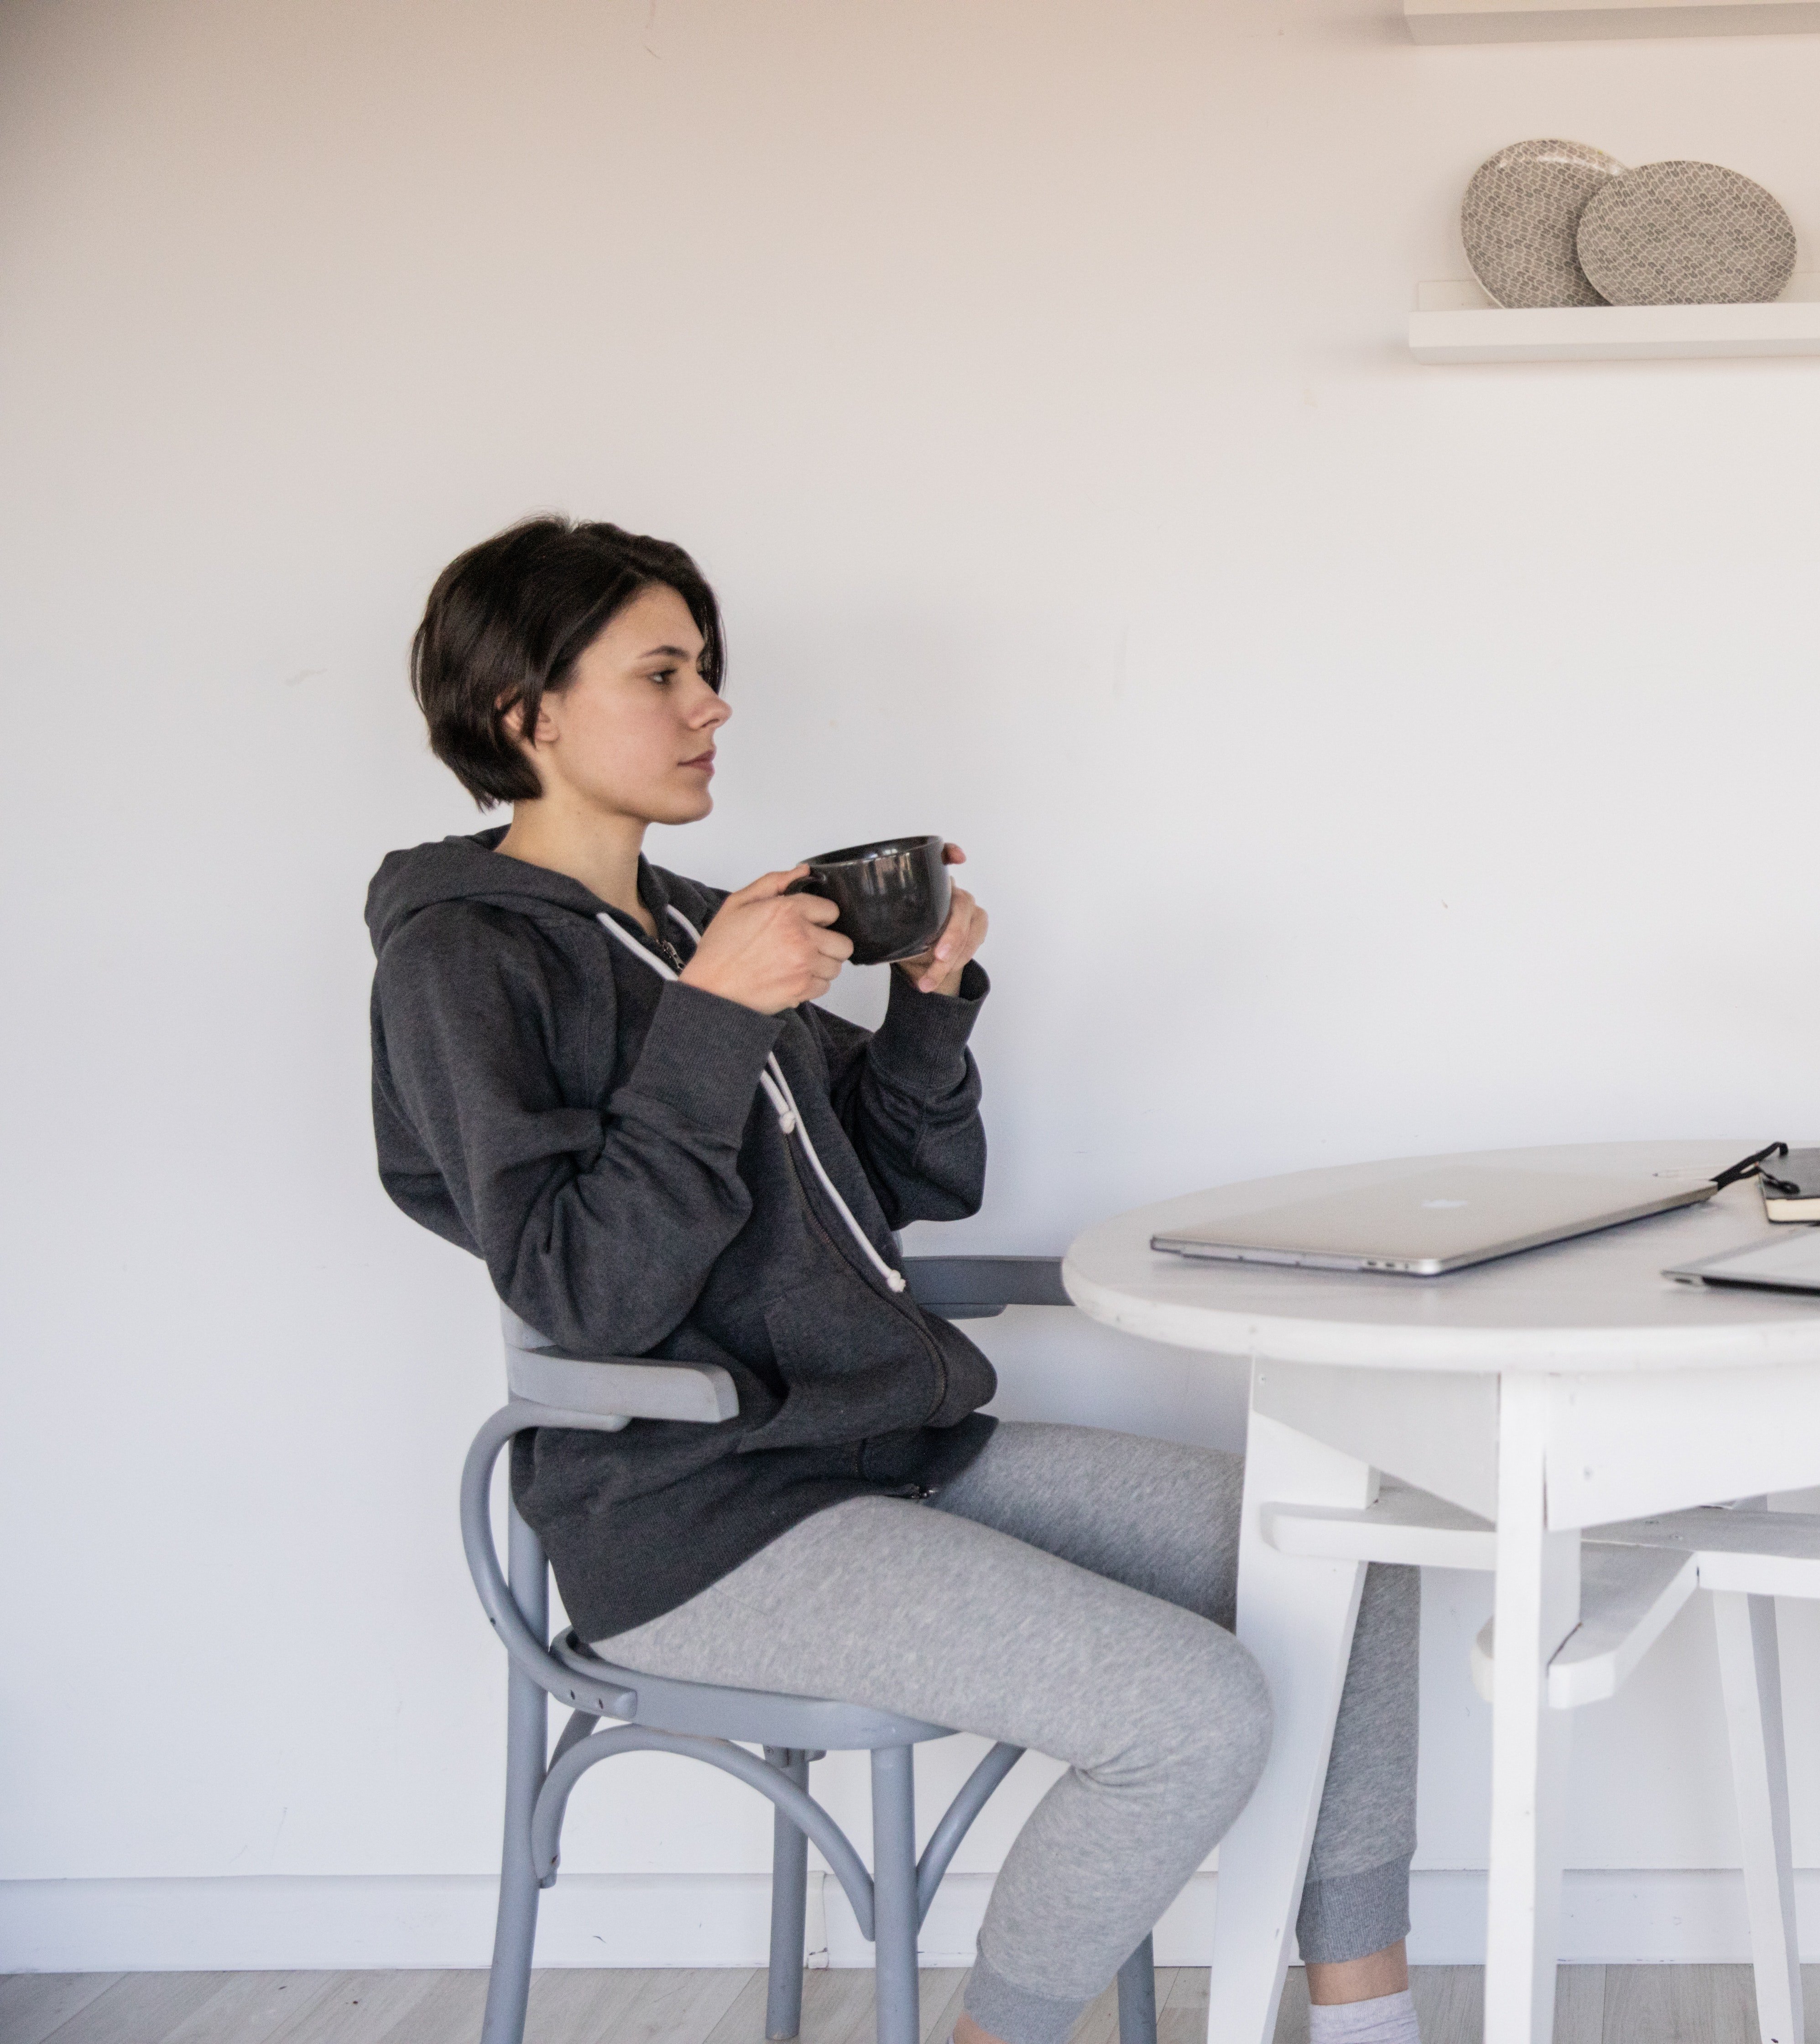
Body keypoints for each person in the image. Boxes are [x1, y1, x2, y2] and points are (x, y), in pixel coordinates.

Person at [368, 518, 1422, 2044]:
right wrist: (718, 1018)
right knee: (1192, 1710)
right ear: (528, 714)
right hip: (701, 1519)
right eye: (661, 673)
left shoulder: (689, 923)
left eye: (709, 672)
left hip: (893, 1452)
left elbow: (906, 1183)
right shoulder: (464, 962)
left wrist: (925, 1006)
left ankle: (1365, 2021)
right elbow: (583, 1288)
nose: (711, 704)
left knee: (1356, 1564)